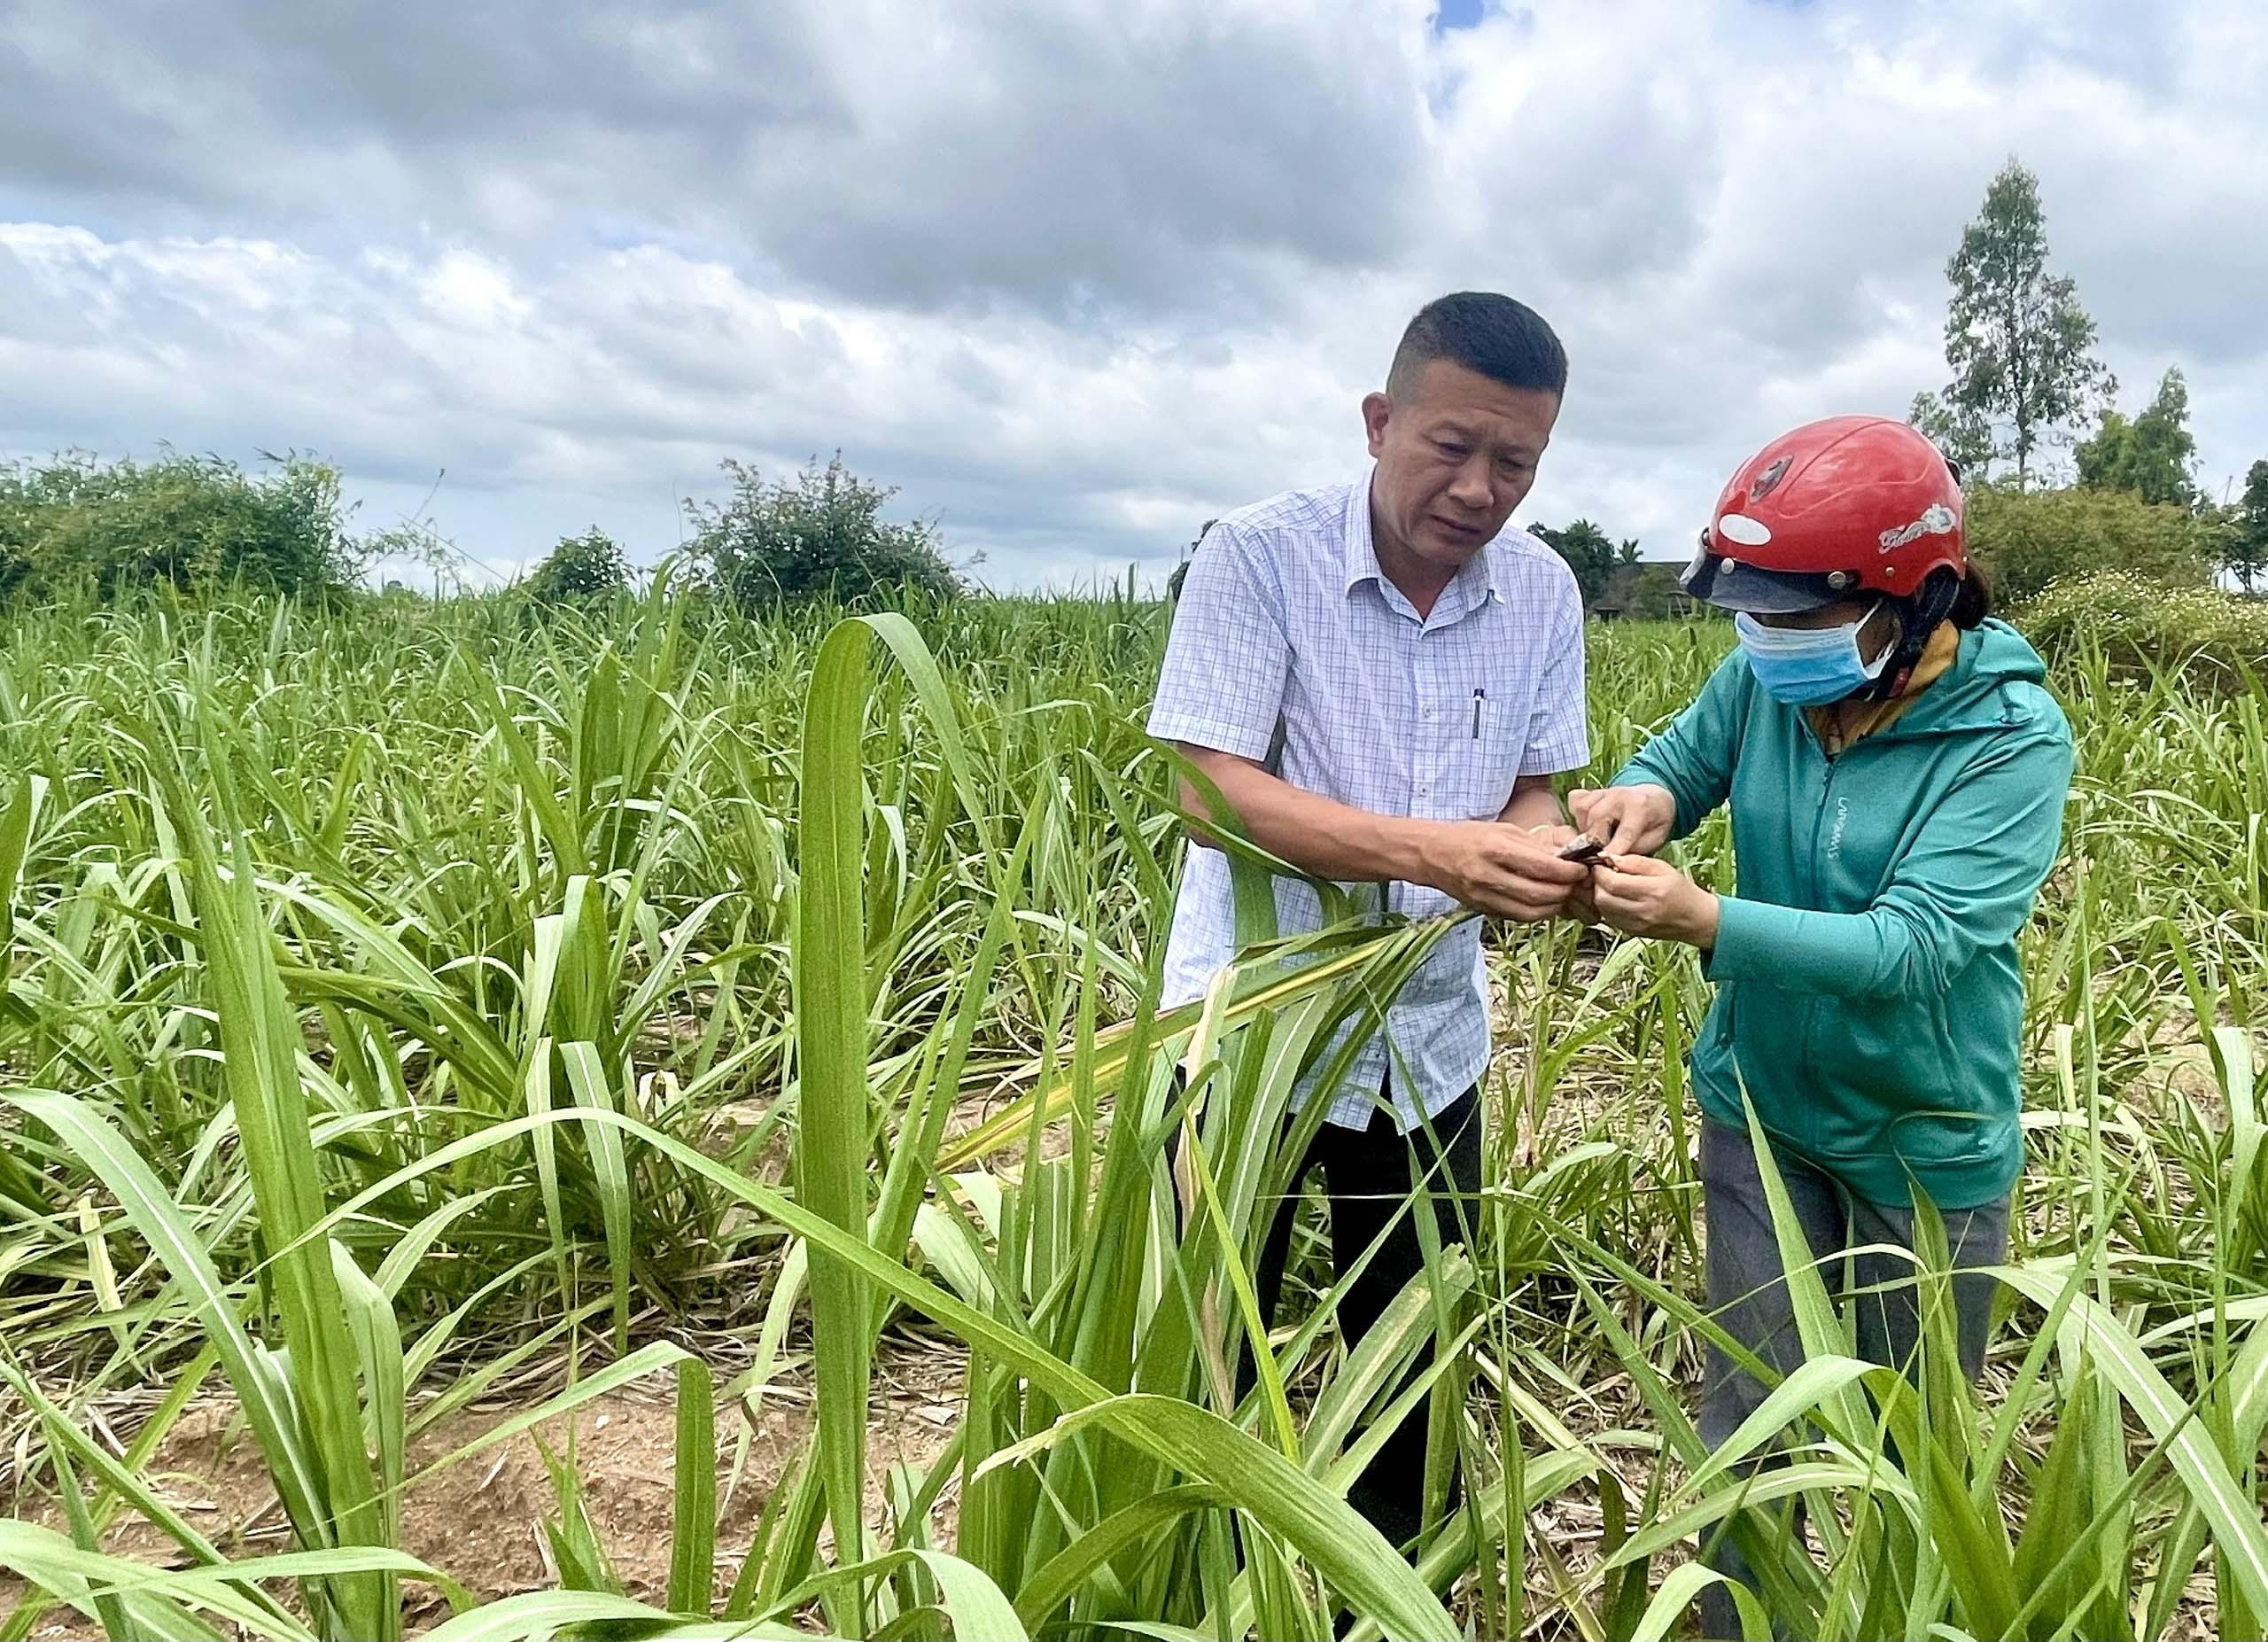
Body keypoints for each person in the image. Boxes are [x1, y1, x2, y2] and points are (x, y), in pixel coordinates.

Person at [1566, 416, 2075, 1635]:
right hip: (1764, 1108)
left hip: (1922, 1133)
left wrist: (1704, 919)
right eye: (1755, 616)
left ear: (1924, 598)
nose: (1769, 643)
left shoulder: (2011, 739)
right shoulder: (1766, 672)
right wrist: (1640, 795)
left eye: (1799, 619)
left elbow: (1918, 948)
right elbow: (1682, 763)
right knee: (1750, 1414)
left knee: (1916, 1440)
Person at [1146, 291, 1594, 1548]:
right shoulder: (1258, 557)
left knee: (1413, 1361)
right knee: (1202, 1355)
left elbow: (1539, 781)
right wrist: (1438, 854)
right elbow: (1206, 788)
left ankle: (1389, 1593)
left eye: (1516, 460)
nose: (1479, 486)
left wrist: (1535, 843)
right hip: (1248, 1037)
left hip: (1428, 1041)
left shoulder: (1546, 592)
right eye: (1451, 444)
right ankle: (1204, 1580)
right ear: (1379, 419)